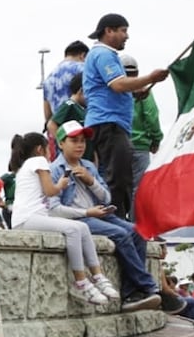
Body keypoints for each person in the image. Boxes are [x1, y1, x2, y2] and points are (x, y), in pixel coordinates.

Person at [48, 121, 177, 313]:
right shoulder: (54, 170)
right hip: (79, 219)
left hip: (100, 213)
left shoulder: (89, 166)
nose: (80, 145)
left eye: (83, 141)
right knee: (121, 234)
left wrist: (90, 181)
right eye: (74, 140)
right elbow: (54, 209)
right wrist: (86, 212)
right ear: (61, 143)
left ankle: (131, 292)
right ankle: (150, 287)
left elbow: (107, 197)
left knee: (139, 231)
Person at [9, 132, 120, 306]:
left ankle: (99, 277)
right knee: (74, 229)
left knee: (82, 228)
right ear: (40, 149)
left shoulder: (25, 165)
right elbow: (50, 191)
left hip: (27, 218)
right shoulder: (39, 161)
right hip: (29, 218)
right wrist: (61, 184)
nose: (50, 153)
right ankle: (82, 282)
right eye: (49, 148)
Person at [83, 14, 168, 220]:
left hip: (107, 123)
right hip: (109, 123)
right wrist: (149, 78)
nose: (126, 36)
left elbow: (114, 88)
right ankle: (117, 220)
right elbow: (118, 84)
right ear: (108, 31)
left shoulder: (102, 54)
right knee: (119, 178)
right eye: (123, 30)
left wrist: (135, 92)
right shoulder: (104, 54)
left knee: (114, 175)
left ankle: (115, 218)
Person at [121, 54, 162, 210]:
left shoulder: (114, 91)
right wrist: (156, 139)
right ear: (137, 73)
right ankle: (136, 230)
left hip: (117, 145)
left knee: (116, 189)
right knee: (138, 191)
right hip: (140, 147)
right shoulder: (144, 91)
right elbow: (151, 116)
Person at [46, 73, 94, 161]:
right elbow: (51, 124)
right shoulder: (69, 105)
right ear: (81, 91)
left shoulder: (83, 109)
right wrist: (64, 145)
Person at [42, 41, 88, 129]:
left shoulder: (49, 78)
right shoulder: (84, 69)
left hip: (60, 129)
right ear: (83, 55)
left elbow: (47, 113)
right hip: (80, 126)